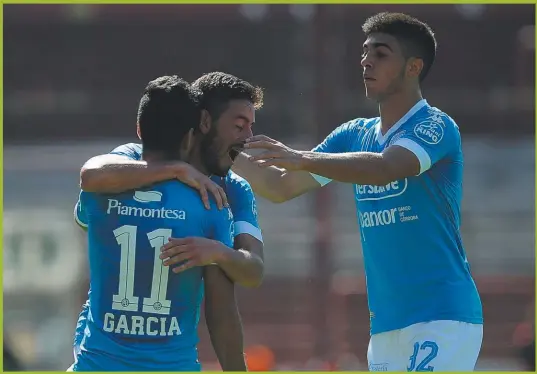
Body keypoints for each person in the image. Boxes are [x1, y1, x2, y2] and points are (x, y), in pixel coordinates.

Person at [234, 12, 483, 372]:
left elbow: (385, 168)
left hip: (442, 317)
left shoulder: (436, 126)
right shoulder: (353, 134)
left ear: (414, 66)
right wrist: (220, 154)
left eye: (381, 53)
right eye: (365, 52)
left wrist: (301, 157)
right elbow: (280, 186)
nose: (366, 60)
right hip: (384, 328)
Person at [70, 76, 246, 371]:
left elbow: (87, 212)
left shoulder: (100, 192)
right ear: (191, 137)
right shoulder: (210, 203)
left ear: (139, 130)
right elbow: (221, 311)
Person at [79, 72, 264, 288]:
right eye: (239, 127)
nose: (249, 139)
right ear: (204, 121)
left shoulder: (234, 189)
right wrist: (176, 170)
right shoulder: (134, 159)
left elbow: (255, 271)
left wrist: (219, 252)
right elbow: (90, 175)